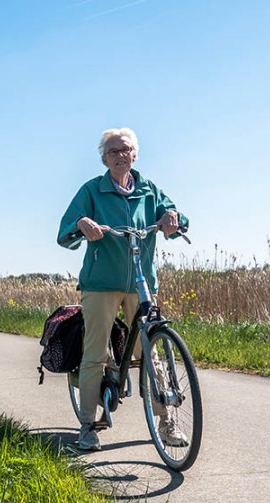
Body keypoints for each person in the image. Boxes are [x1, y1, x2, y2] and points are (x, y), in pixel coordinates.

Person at [57, 127, 189, 450]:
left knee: (150, 350)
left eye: (125, 149)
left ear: (135, 154)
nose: (120, 155)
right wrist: (82, 224)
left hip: (141, 283)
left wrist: (172, 218)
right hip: (101, 284)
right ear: (104, 158)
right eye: (113, 151)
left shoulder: (148, 190)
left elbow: (178, 218)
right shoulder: (92, 191)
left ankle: (166, 420)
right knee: (96, 351)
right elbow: (65, 231)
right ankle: (87, 424)